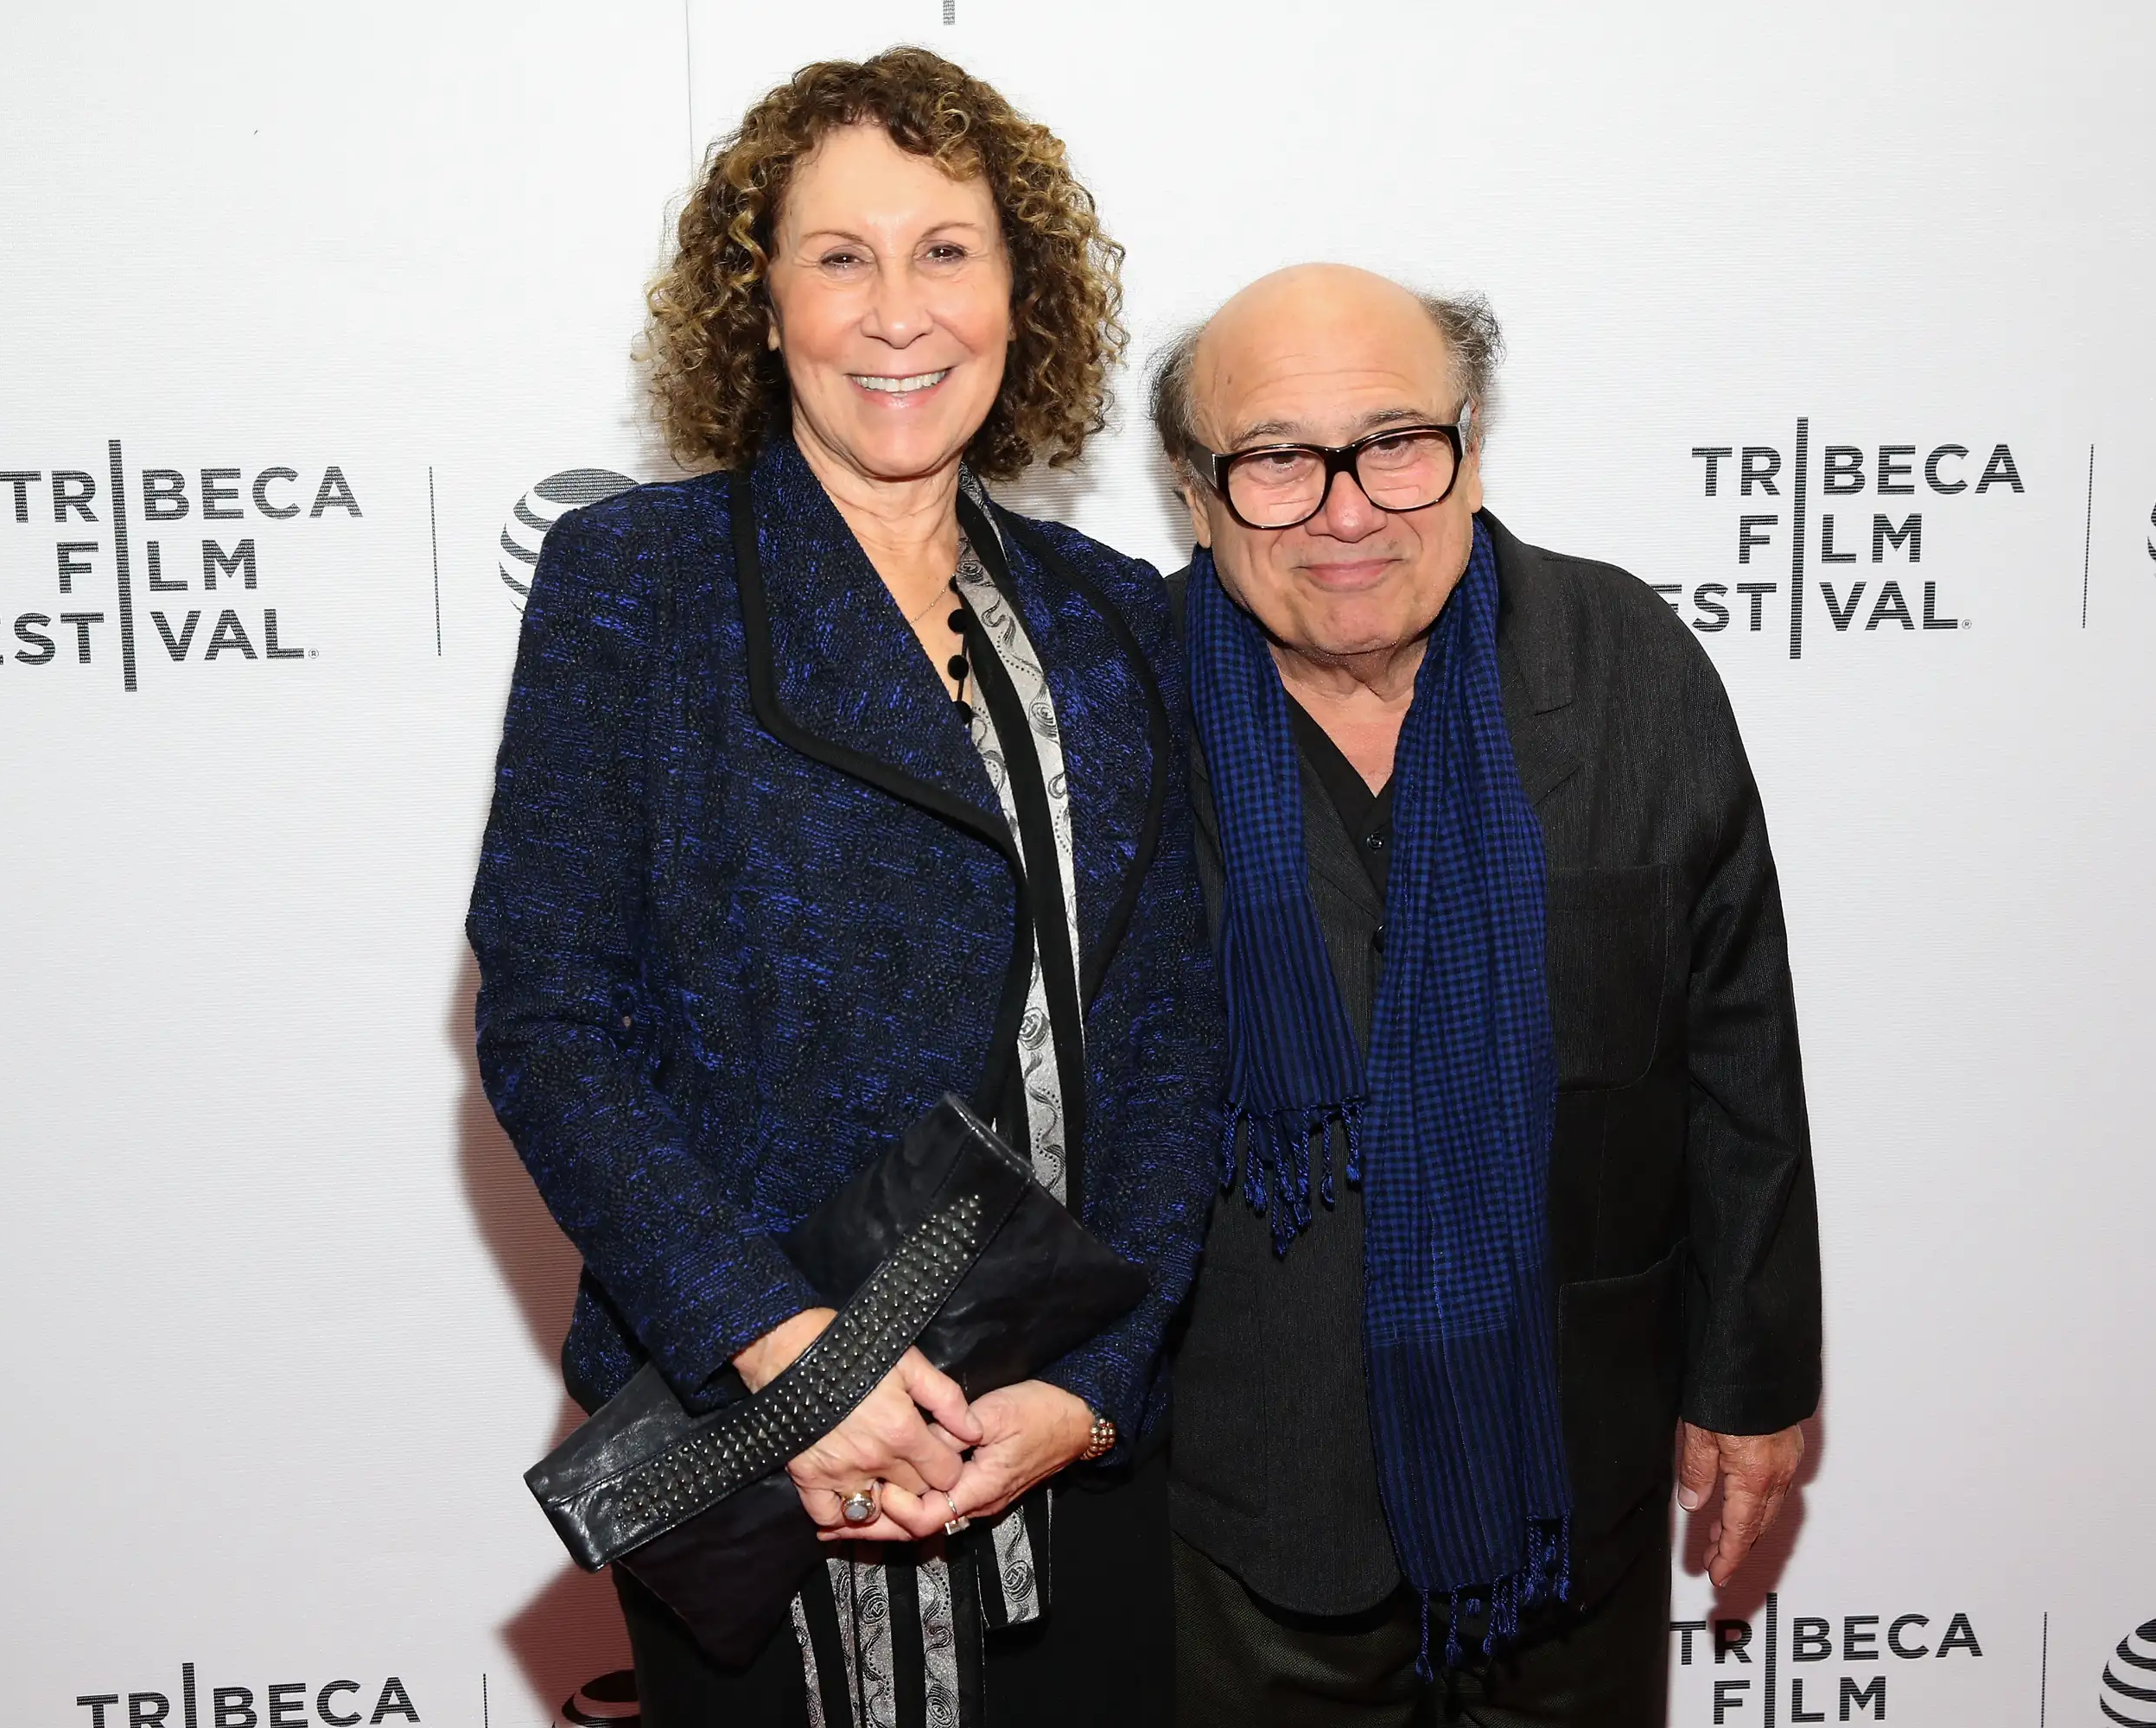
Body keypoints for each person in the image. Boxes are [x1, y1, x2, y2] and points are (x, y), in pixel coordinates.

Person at [467, 48, 1217, 1728]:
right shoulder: (636, 586)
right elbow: (551, 1020)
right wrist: (786, 1343)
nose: (900, 312)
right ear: (762, 297)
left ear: (1022, 294)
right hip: (764, 1451)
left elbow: (1178, 1039)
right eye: (841, 255)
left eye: (948, 250)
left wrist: (1096, 1392)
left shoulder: (1116, 621)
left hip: (1055, 1457)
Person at [1154, 264, 1822, 1726]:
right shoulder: (1115, 708)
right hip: (1242, 1503)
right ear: (1197, 496)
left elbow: (1736, 1052)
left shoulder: (1628, 665)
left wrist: (1756, 1375)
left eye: (1394, 440)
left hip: (1565, 1470)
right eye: (1276, 459)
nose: (1347, 507)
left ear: (1467, 443)